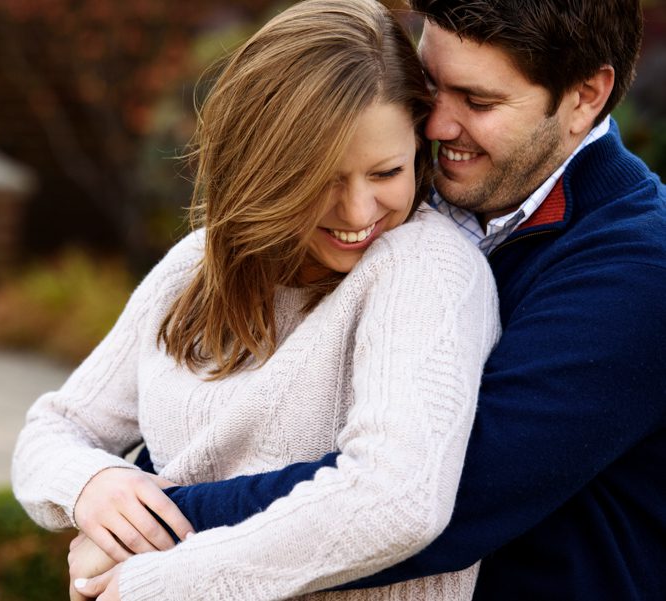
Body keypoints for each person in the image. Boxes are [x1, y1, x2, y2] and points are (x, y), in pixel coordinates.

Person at [72, 0, 666, 599]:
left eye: (479, 102)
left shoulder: (638, 271)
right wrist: (104, 486)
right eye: (432, 86)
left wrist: (156, 523)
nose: (434, 125)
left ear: (587, 94)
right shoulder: (406, 200)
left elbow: (443, 493)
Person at [11, 0, 501, 599]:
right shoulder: (199, 263)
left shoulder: (424, 265)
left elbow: (398, 498)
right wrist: (91, 483)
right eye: (320, 178)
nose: (356, 213)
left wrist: (158, 583)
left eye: (385, 172)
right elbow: (55, 427)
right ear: (265, 167)